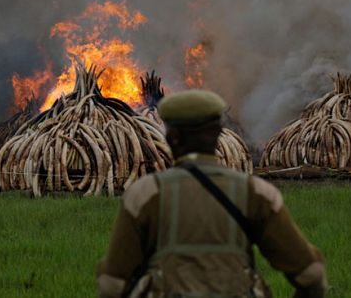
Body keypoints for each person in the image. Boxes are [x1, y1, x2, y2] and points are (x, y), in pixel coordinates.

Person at [96, 90, 328, 297]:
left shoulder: (145, 194)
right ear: (219, 134)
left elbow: (111, 286)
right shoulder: (256, 193)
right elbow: (311, 275)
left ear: (170, 136)